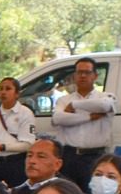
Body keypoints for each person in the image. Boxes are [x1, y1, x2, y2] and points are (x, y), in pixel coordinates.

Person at [49, 56, 116, 186]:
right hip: (69, 157)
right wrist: (89, 117)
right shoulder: (63, 100)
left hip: (95, 157)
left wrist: (75, 105)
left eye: (87, 72)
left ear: (95, 76)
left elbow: (105, 106)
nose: (83, 76)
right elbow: (58, 119)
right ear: (74, 76)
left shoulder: (105, 97)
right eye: (79, 72)